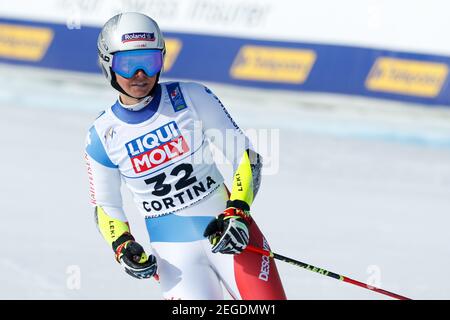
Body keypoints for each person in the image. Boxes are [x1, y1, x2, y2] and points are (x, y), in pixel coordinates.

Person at [84, 12, 286, 300]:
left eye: (149, 62)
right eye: (128, 65)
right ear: (108, 64)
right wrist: (123, 245)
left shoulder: (192, 97)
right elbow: (106, 206)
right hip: (175, 259)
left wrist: (237, 212)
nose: (139, 75)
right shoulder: (101, 135)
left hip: (231, 234)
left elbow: (245, 156)